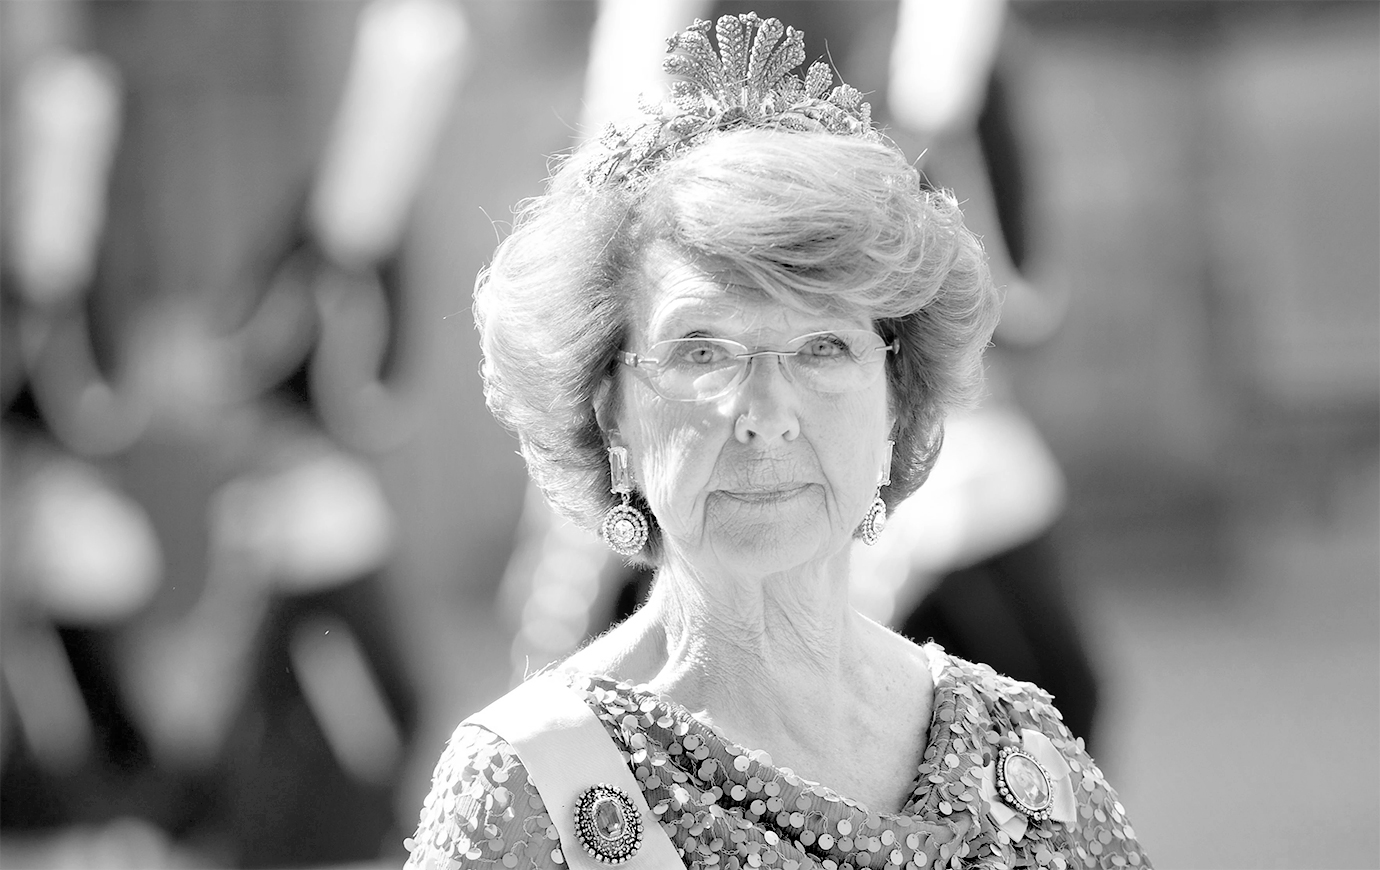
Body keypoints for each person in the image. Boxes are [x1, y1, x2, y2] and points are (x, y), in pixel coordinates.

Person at [406, 12, 1149, 870]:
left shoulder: (1024, 758)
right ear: (609, 409)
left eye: (824, 347)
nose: (766, 410)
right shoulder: (532, 788)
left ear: (897, 401)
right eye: (702, 351)